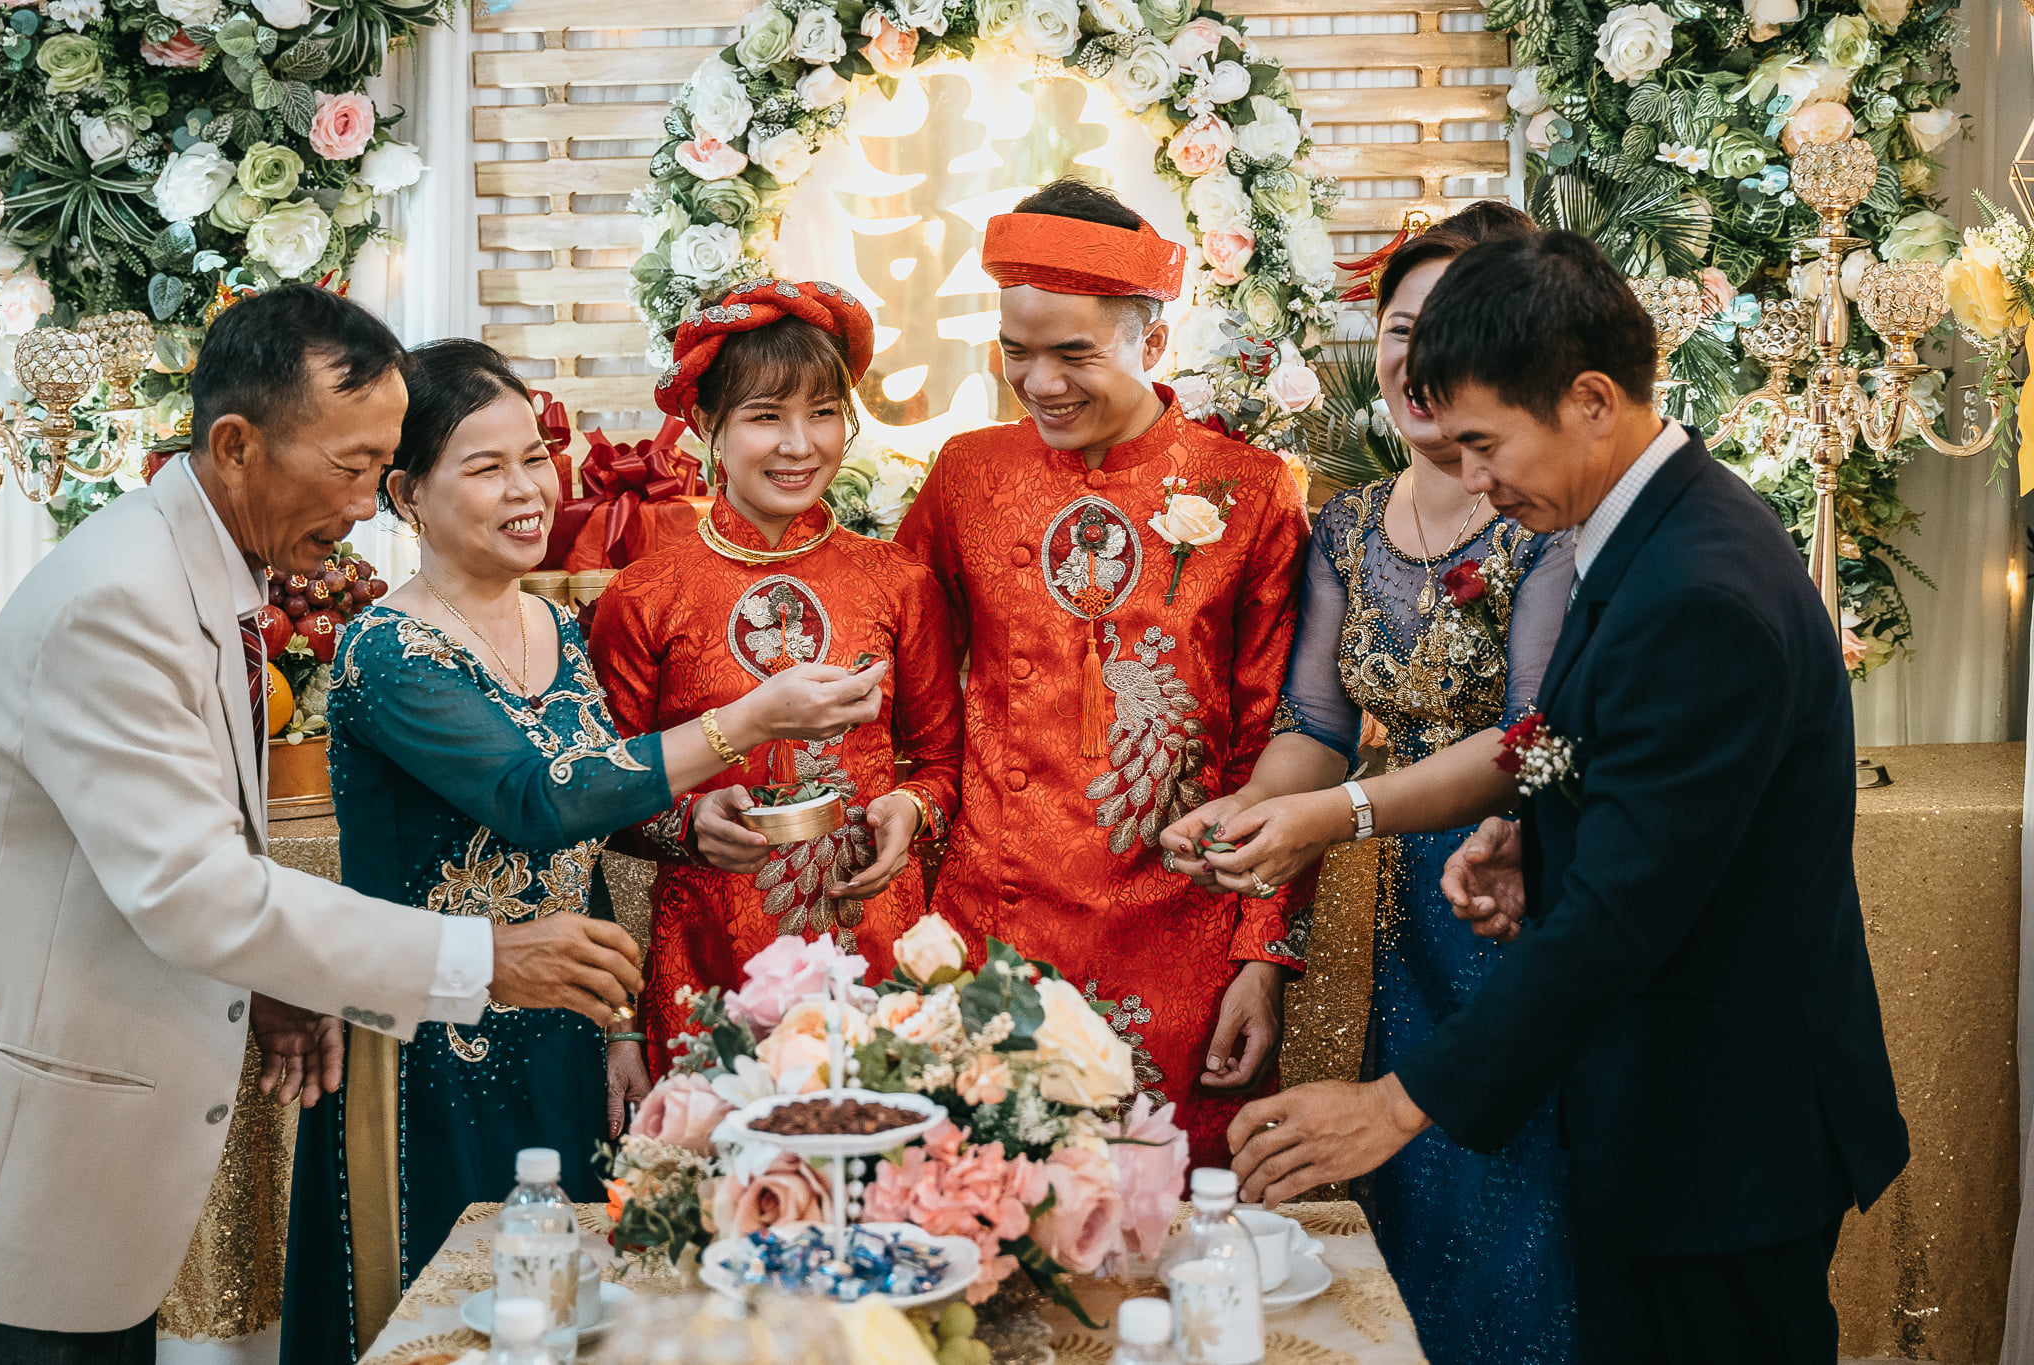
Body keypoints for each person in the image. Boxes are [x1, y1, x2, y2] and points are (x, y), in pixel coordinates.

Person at [1226, 232, 1909, 1362]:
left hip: (1722, 1127)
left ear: (1590, 399)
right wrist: (1525, 839)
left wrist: (1394, 1106)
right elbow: (1592, 745)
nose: (1475, 479)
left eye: (1486, 443)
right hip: (1655, 1104)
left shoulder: (1701, 588)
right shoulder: (1639, 526)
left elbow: (1624, 915)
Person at [0, 287, 653, 1360]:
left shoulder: (203, 574)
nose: (361, 507)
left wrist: (270, 979)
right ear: (237, 443)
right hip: (55, 1140)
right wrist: (484, 959)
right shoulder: (117, 600)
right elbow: (192, 890)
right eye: (350, 469)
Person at [278, 338, 885, 1361]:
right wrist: (751, 718)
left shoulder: (554, 629)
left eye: (533, 456)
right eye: (486, 467)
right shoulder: (387, 652)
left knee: (565, 1311)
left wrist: (674, 863)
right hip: (433, 1051)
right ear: (406, 494)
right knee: (445, 1319)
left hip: (558, 1037)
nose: (527, 491)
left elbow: (591, 835)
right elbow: (534, 800)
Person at [1163, 201, 1579, 1365]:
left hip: (1508, 893)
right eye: (1401, 326)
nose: (1417, 357)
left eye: (1450, 327)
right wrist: (1250, 815)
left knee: (1512, 1211)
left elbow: (1522, 740)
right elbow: (1315, 723)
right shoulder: (1344, 526)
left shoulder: (1538, 521)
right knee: (1396, 1212)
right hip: (1386, 914)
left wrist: (1326, 815)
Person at [895, 179, 1309, 1166]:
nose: (1039, 383)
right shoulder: (968, 475)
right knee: (980, 1213)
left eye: (1073, 353)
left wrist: (1260, 954)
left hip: (1184, 940)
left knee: (1171, 1231)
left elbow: (1275, 737)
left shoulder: (1246, 492)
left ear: (1151, 344)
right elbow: (903, 687)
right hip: (989, 934)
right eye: (1016, 352)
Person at [588, 280, 962, 1066]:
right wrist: (684, 825)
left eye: (824, 413)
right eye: (766, 416)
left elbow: (941, 760)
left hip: (877, 950)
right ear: (705, 425)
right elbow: (599, 790)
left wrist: (911, 808)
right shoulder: (644, 596)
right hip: (711, 961)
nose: (801, 445)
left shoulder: (899, 582)